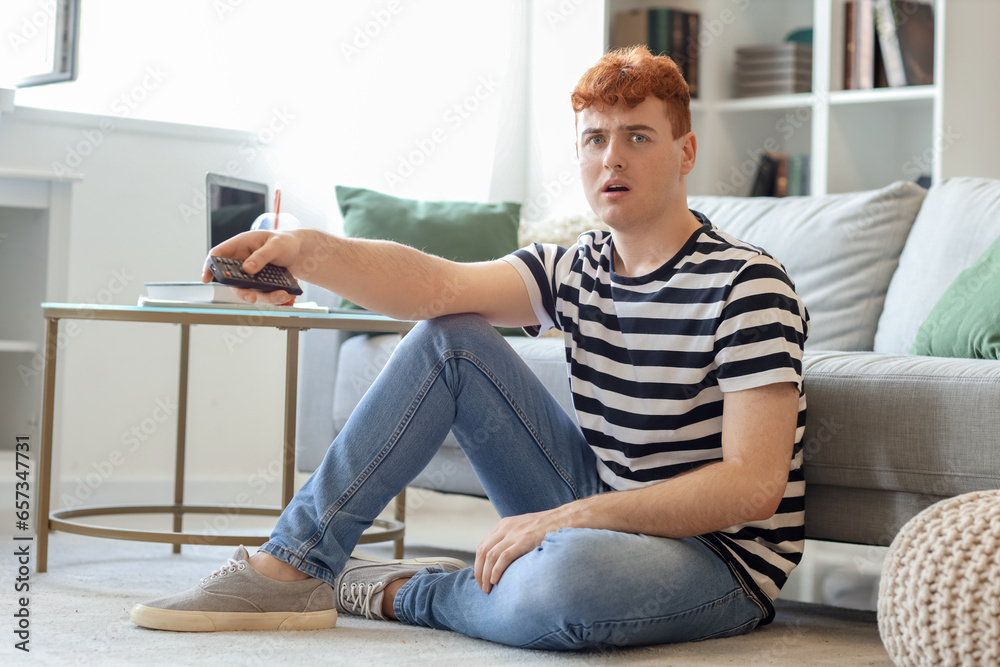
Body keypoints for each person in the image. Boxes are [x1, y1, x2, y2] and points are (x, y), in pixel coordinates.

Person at [131, 45, 808, 650]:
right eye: (594, 139)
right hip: (604, 505)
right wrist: (308, 253)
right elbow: (436, 286)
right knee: (450, 335)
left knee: (563, 586)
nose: (612, 158)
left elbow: (751, 486)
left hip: (714, 558)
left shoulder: (746, 283)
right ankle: (295, 563)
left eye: (638, 136)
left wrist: (563, 520)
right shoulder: (576, 267)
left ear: (685, 152)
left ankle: (402, 590)